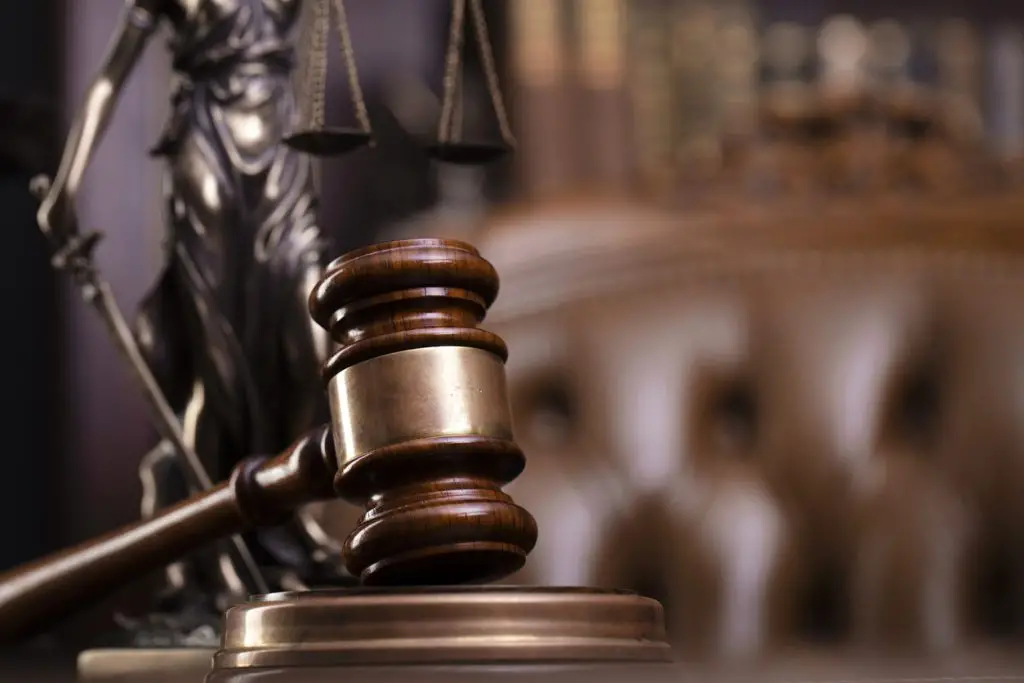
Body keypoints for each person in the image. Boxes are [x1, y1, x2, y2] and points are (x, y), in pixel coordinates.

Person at [36, 0, 347, 637]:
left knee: (312, 350)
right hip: (208, 149)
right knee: (221, 376)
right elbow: (108, 77)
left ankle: (283, 516)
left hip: (283, 157)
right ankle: (214, 547)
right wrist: (68, 184)